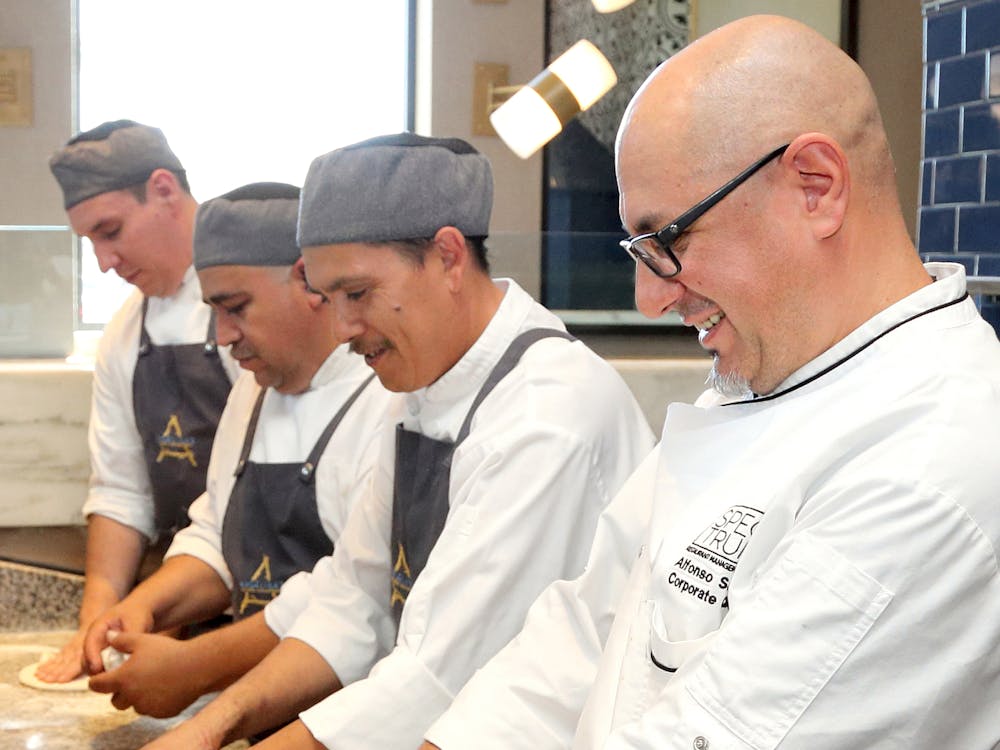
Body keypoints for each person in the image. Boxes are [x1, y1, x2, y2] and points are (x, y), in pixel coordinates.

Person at [420, 15, 1000, 750]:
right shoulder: (764, 376)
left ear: (816, 187)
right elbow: (585, 628)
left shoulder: (929, 467)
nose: (648, 299)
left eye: (668, 240)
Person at [138, 133, 655, 750]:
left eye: (358, 294)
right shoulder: (420, 387)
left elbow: (440, 676)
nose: (343, 328)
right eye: (329, 299)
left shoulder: (548, 414)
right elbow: (354, 600)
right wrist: (214, 726)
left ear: (447, 256)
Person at [77, 183, 392, 718]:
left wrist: (195, 665)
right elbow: (220, 535)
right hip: (259, 708)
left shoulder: (386, 398)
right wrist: (145, 606)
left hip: (349, 720)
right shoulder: (254, 387)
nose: (223, 336)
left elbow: (354, 604)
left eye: (236, 308)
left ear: (308, 280)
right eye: (213, 311)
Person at [41, 120, 239, 683]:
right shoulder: (125, 335)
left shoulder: (256, 311)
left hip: (277, 608)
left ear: (163, 190)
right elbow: (121, 493)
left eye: (111, 231)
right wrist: (93, 629)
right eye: (91, 244)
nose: (105, 262)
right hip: (180, 606)